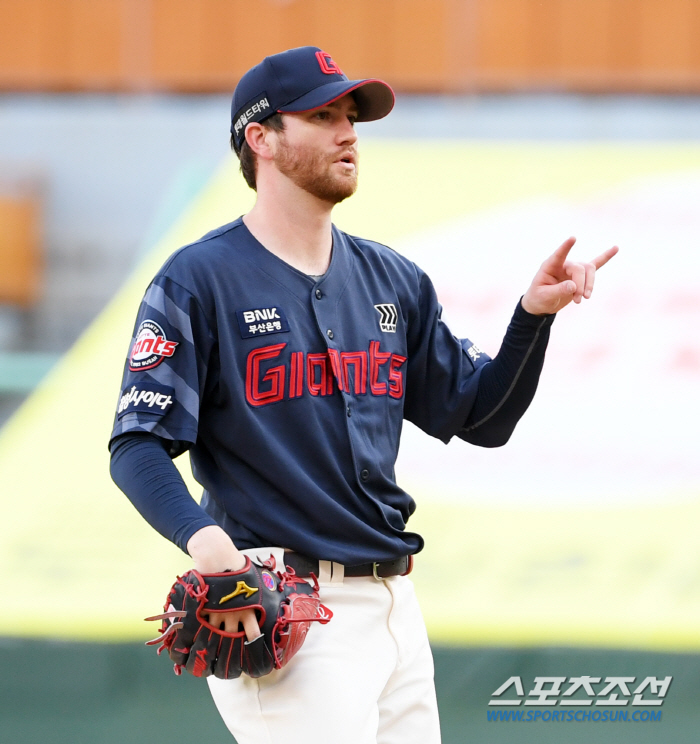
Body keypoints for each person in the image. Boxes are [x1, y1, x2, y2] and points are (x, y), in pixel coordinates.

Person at [109, 46, 617, 744]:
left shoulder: (391, 280)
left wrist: (531, 319)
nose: (349, 131)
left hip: (395, 606)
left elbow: (482, 418)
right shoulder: (200, 279)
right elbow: (137, 444)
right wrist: (207, 543)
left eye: (351, 114)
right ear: (260, 137)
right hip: (285, 606)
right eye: (322, 115)